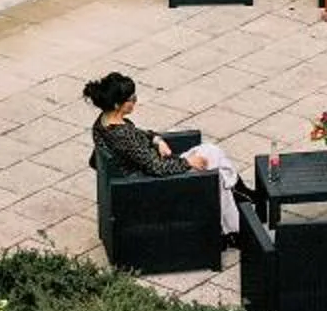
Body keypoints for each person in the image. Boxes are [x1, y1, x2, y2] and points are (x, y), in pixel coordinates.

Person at [84, 71, 243, 238]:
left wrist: (157, 140)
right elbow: (156, 168)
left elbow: (138, 135)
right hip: (152, 185)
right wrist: (188, 163)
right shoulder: (123, 135)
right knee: (215, 168)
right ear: (117, 104)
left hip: (143, 173)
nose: (135, 102)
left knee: (212, 153)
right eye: (132, 99)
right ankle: (233, 226)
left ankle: (236, 198)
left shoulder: (104, 122)